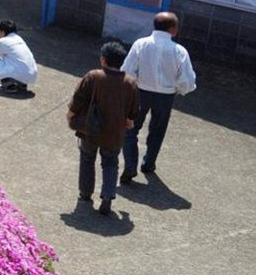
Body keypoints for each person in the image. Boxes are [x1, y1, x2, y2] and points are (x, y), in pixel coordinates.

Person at [119, 11, 196, 184]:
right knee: (157, 130)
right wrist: (179, 90)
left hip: (140, 92)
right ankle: (148, 163)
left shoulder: (141, 44)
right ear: (173, 28)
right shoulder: (180, 51)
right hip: (165, 96)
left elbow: (128, 70)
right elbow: (187, 80)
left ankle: (130, 165)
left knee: (130, 128)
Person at [67, 41, 140, 215]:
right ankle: (107, 196)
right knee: (110, 163)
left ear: (103, 60)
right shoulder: (130, 83)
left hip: (90, 128)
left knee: (87, 158)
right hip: (115, 131)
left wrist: (71, 115)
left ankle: (85, 193)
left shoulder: (93, 77)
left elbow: (78, 99)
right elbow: (133, 111)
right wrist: (129, 120)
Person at [0, 20, 37, 93]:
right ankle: (21, 84)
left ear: (3, 32)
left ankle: (9, 85)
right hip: (31, 75)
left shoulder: (3, 41)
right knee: (10, 60)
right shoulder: (19, 38)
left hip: (20, 73)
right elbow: (4, 51)